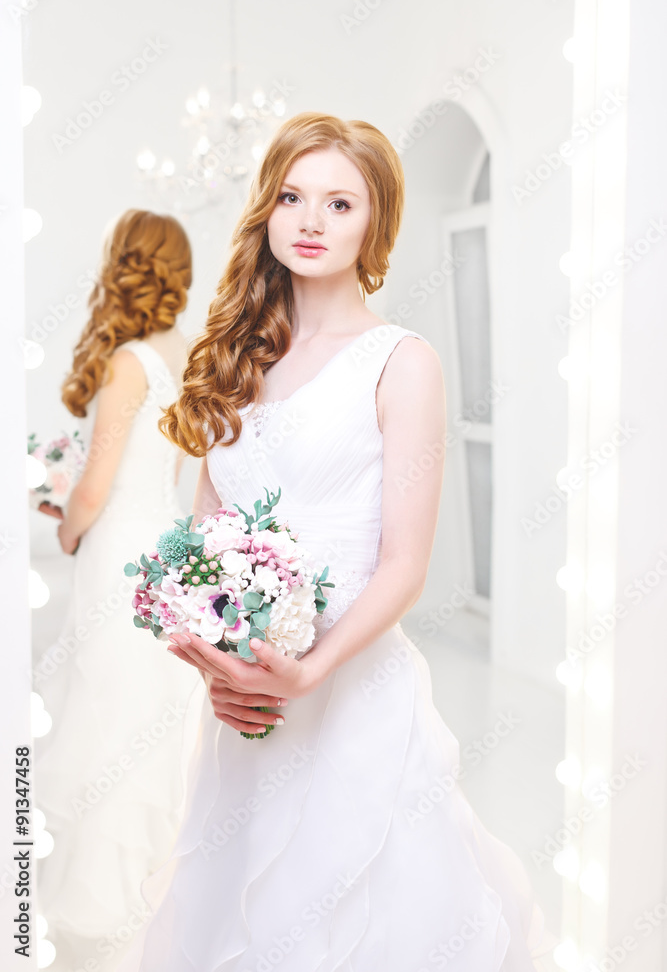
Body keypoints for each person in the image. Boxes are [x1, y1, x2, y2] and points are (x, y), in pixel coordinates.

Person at [117, 114, 556, 971]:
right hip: (246, 705)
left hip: (352, 694)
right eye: (291, 197)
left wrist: (310, 670)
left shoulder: (401, 361)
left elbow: (404, 565)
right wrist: (218, 670)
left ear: (374, 222)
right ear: (266, 211)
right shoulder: (236, 356)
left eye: (339, 203)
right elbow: (204, 536)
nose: (311, 221)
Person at [34, 209, 202, 972]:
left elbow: (96, 489)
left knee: (109, 713)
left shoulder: (128, 362)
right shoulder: (185, 352)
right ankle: (161, 888)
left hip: (117, 553)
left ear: (124, 264)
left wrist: (66, 527)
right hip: (162, 544)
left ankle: (104, 906)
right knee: (153, 713)